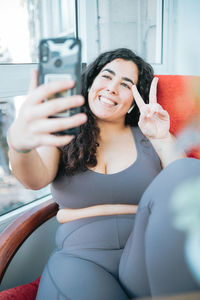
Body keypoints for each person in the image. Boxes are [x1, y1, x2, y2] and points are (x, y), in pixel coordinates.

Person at [7, 48, 200, 299]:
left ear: (135, 98)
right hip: (80, 259)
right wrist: (20, 144)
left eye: (125, 84)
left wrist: (162, 138)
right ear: (90, 82)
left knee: (187, 168)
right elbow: (33, 180)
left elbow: (185, 187)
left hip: (145, 257)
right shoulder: (63, 133)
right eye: (106, 77)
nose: (112, 88)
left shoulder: (151, 134)